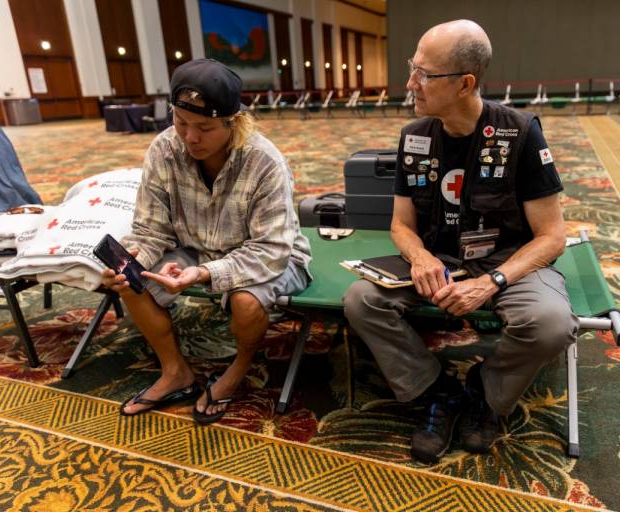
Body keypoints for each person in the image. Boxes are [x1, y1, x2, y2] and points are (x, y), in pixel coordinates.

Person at [343, 20, 579, 464]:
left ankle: (485, 394)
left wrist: (490, 282)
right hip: (440, 259)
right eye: (412, 68)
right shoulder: (415, 136)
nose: (411, 82)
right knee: (361, 300)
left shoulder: (520, 133)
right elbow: (400, 224)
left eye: (424, 75)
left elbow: (553, 237)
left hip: (507, 262)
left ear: (465, 83)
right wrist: (419, 257)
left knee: (550, 323)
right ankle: (439, 391)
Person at [101, 58, 312, 425]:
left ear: (235, 122)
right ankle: (175, 371)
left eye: (204, 127)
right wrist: (136, 255)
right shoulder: (164, 149)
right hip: (196, 248)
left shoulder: (265, 162)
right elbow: (151, 230)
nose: (190, 137)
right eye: (180, 123)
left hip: (270, 256)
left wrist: (202, 273)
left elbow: (271, 250)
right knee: (131, 281)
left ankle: (237, 370)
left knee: (246, 302)